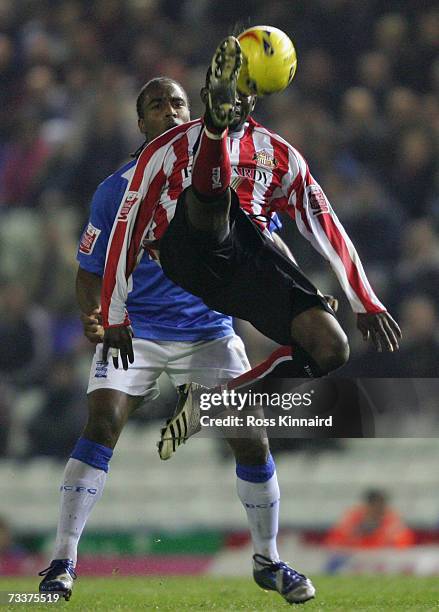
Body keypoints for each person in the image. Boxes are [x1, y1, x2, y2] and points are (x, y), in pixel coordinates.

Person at [100, 36, 401, 604]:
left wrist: (364, 299)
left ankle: (215, 407)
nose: (240, 102)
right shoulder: (167, 148)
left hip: (245, 269)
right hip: (189, 248)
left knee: (330, 346)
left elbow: (323, 225)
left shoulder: (279, 154)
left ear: (254, 97)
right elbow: (128, 222)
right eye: (222, 99)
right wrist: (113, 308)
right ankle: (214, 138)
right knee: (212, 207)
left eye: (238, 99)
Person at [38, 76, 302, 604]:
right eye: (156, 105)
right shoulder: (117, 188)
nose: (170, 111)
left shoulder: (221, 172)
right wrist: (94, 314)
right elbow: (90, 268)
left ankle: (268, 560)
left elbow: (263, 237)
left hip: (209, 329)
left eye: (178, 102)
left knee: (250, 437)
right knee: (103, 420)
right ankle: (63, 561)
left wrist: (300, 291)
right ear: (141, 122)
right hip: (138, 328)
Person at [324, 489, 415, 548]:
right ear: (368, 506)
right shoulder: (352, 519)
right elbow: (334, 543)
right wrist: (356, 534)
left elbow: (403, 545)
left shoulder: (393, 522)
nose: (378, 510)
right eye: (375, 506)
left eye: (381, 506)